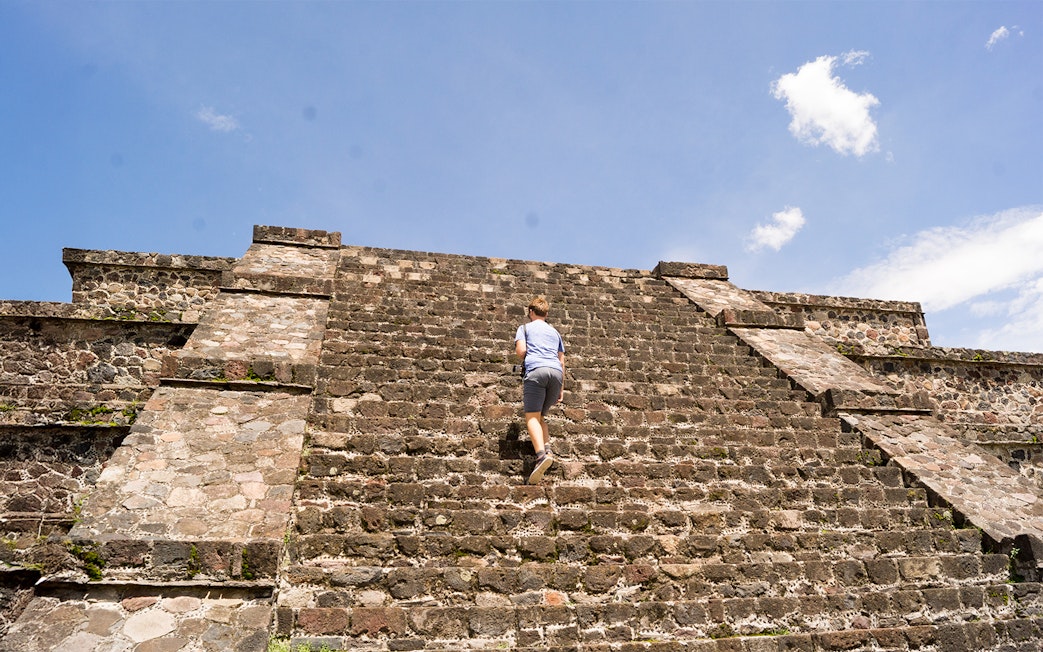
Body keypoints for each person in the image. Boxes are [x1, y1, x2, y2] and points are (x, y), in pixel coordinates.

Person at [514, 296, 565, 484]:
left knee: (532, 417)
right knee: (541, 415)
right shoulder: (555, 332)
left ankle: (541, 455)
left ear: (530, 312)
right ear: (547, 314)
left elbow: (521, 351)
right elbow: (561, 360)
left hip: (537, 370)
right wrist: (561, 388)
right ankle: (548, 449)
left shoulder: (525, 328)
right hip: (556, 375)